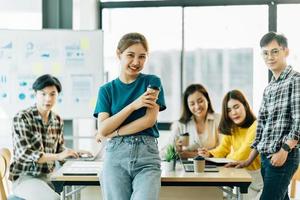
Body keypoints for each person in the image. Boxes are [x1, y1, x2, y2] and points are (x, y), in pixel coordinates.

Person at [93, 32, 166, 200]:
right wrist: (134, 105)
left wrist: (115, 132)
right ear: (119, 54)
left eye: (142, 57)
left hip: (147, 155)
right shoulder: (106, 90)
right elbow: (103, 128)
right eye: (130, 55)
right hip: (115, 156)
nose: (136, 62)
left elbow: (148, 121)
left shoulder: (152, 82)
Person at [228, 32, 300, 200]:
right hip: (265, 159)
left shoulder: (295, 80)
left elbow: (299, 121)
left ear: (286, 52)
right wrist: (248, 160)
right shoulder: (269, 88)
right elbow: (262, 129)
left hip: (284, 156)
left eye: (275, 51)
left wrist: (285, 150)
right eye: (265, 53)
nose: (270, 57)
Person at [9, 74, 86, 200]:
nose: (48, 99)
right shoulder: (22, 118)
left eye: (52, 94)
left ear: (57, 95)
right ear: (35, 94)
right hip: (25, 178)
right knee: (54, 199)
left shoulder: (57, 120)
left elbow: (59, 150)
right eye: (43, 94)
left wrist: (74, 153)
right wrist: (58, 156)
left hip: (48, 177)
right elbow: (25, 154)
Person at [198, 90, 263, 200]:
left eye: (236, 107)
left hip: (261, 179)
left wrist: (225, 160)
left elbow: (244, 154)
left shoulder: (256, 126)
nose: (233, 112)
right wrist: (209, 153)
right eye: (229, 110)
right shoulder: (233, 128)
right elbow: (223, 148)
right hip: (246, 178)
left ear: (245, 106)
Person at [163, 84, 220, 159]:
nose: (197, 106)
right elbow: (163, 153)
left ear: (207, 100)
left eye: (200, 101)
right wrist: (175, 149)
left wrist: (188, 154)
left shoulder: (218, 119)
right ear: (188, 106)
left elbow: (224, 149)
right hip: (186, 167)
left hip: (214, 166)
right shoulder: (180, 124)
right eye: (192, 104)